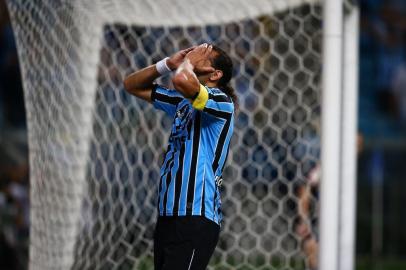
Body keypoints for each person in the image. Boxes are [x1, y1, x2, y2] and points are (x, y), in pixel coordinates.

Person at [123, 43, 237, 270]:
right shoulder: (181, 102)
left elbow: (182, 80)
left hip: (195, 215)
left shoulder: (222, 102)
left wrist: (188, 62)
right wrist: (166, 64)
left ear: (216, 74)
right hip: (168, 213)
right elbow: (131, 85)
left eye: (204, 55)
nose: (196, 53)